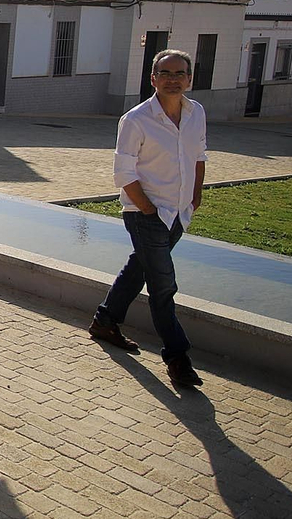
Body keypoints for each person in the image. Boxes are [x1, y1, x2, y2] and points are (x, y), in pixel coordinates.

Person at [88, 49, 207, 390]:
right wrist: (147, 209)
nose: (173, 80)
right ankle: (178, 358)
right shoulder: (136, 119)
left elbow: (198, 156)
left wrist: (195, 196)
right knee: (163, 286)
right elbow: (123, 173)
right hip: (147, 214)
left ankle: (106, 320)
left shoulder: (196, 113)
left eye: (180, 73)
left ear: (189, 79)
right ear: (153, 79)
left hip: (179, 213)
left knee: (140, 268)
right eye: (165, 73)